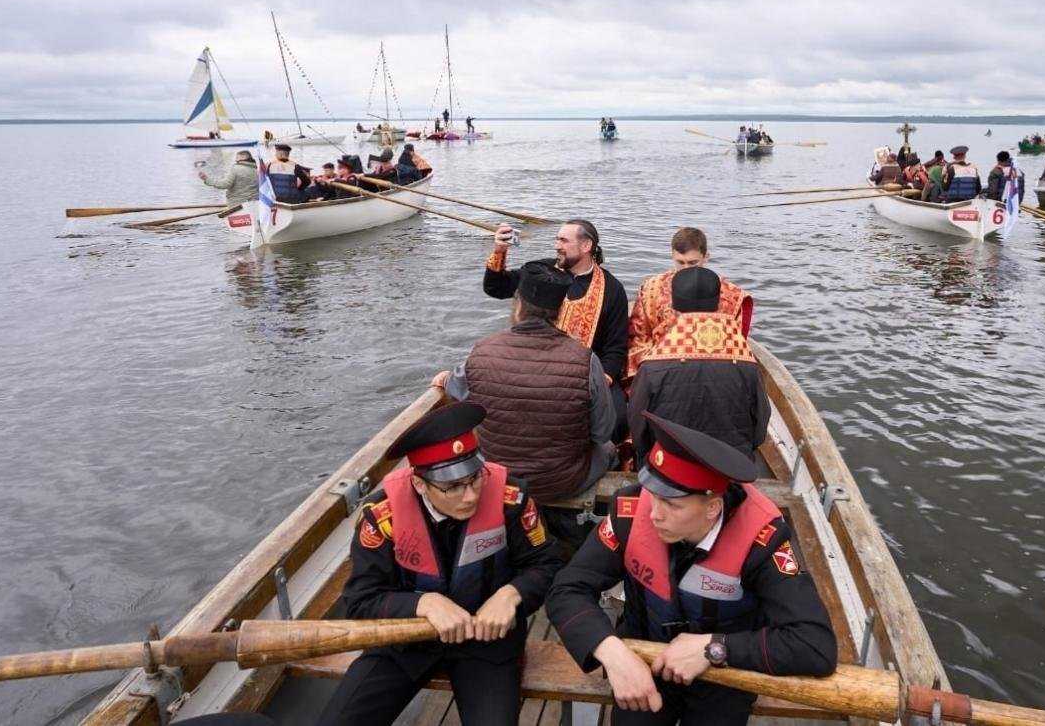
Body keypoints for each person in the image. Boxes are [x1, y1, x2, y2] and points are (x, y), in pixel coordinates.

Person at [545, 413, 837, 725]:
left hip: (724, 676)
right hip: (644, 660)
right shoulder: (630, 514)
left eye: (672, 504)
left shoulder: (761, 540)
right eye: (653, 496)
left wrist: (716, 648)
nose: (654, 514)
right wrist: (611, 652)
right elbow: (567, 590)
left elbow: (814, 644)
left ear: (713, 508)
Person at [318, 402, 561, 726]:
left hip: (486, 643)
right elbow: (360, 600)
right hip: (406, 642)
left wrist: (512, 594)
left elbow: (548, 563)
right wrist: (423, 603)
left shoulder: (511, 499)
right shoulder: (382, 517)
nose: (471, 495)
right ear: (420, 484)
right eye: (452, 487)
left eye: (475, 478)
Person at [433, 260, 616, 556]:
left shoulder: (482, 350)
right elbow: (602, 431)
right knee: (608, 448)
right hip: (563, 479)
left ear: (518, 307)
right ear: (559, 312)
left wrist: (444, 379)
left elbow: (457, 388)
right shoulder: (585, 360)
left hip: (498, 474)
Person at [485, 219, 630, 437]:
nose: (556, 245)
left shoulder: (612, 289)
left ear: (586, 246)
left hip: (586, 376)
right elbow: (496, 287)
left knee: (618, 421)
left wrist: (599, 383)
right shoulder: (539, 273)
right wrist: (499, 250)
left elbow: (616, 348)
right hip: (533, 366)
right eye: (556, 239)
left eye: (563, 240)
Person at [628, 267, 769, 463]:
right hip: (730, 471)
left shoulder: (652, 365)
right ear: (718, 303)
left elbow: (638, 432)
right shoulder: (747, 363)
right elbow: (760, 431)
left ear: (674, 304)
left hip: (669, 473)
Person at [625, 228, 752, 385]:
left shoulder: (731, 295)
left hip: (712, 372)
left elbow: (735, 345)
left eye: (693, 263)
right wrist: (657, 370)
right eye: (680, 262)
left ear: (706, 257)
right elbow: (639, 338)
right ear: (672, 255)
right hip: (660, 370)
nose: (686, 269)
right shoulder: (652, 288)